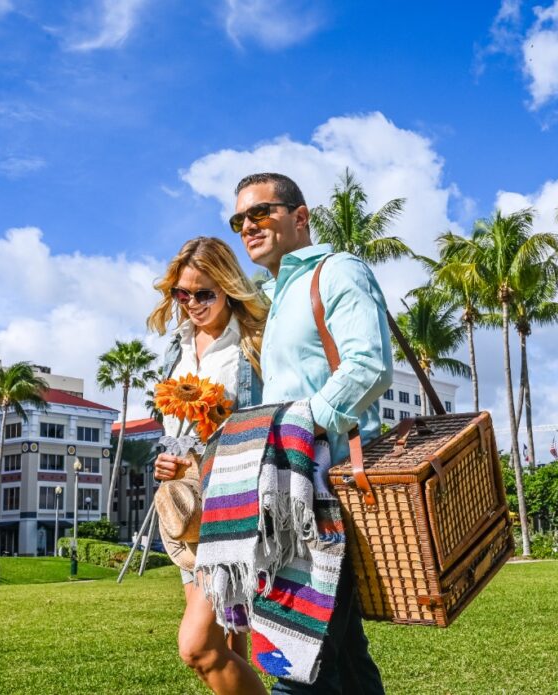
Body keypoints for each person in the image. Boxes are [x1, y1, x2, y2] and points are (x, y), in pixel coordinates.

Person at [230, 172, 392, 694]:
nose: (247, 226)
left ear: (300, 216)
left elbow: (369, 364)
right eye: (239, 220)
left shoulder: (336, 271)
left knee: (296, 652)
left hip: (326, 486)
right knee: (340, 656)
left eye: (261, 213)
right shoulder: (275, 297)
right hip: (292, 491)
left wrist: (298, 433)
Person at [149, 236, 268, 695]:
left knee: (198, 647)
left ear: (228, 286)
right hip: (187, 509)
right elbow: (174, 428)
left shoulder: (252, 342)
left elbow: (265, 420)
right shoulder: (175, 348)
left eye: (204, 293)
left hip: (233, 501)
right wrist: (168, 459)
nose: (193, 304)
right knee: (229, 641)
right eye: (183, 294)